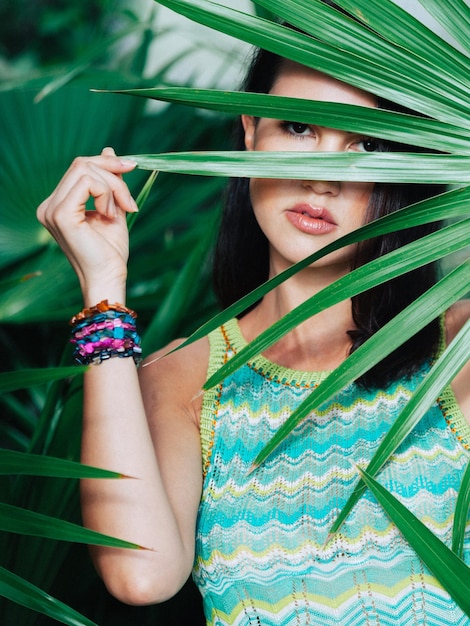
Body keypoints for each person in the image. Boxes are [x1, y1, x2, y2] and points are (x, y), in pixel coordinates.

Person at [37, 39, 470, 626]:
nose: (323, 179)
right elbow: (141, 575)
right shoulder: (181, 378)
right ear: (251, 129)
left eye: (367, 144)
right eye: (298, 127)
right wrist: (103, 284)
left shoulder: (459, 345)